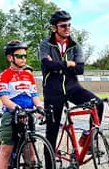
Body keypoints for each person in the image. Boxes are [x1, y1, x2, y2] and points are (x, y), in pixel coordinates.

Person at [40, 9, 103, 151]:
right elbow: (46, 65)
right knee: (52, 132)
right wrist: (68, 63)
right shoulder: (45, 44)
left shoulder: (75, 46)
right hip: (53, 92)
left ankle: (89, 138)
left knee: (98, 104)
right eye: (63, 26)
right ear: (55, 28)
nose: (67, 28)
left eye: (69, 25)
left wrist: (58, 65)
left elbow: (80, 69)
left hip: (73, 88)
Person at [0, 40, 45, 169]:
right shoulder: (3, 76)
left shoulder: (29, 75)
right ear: (10, 57)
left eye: (25, 56)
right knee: (6, 150)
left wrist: (40, 107)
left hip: (27, 114)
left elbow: (34, 96)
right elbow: (4, 99)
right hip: (12, 115)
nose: (23, 59)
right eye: (19, 56)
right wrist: (16, 108)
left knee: (29, 149)